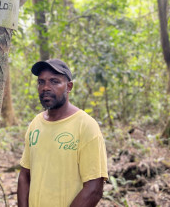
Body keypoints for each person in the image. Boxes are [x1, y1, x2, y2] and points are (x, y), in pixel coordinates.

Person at [17, 59, 108, 207]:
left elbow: (94, 188)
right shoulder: (35, 124)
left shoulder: (86, 125)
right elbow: (24, 175)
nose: (45, 87)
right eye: (41, 82)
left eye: (54, 82)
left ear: (69, 87)